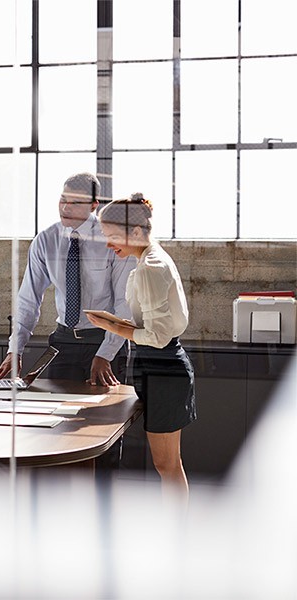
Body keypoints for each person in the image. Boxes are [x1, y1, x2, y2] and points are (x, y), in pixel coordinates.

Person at [86, 193, 196, 506]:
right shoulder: (149, 259)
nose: (109, 245)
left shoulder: (151, 266)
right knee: (169, 464)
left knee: (167, 465)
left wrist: (112, 326)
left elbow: (158, 336)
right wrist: (115, 321)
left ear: (135, 232)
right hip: (158, 367)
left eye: (112, 237)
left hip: (164, 367)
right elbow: (151, 323)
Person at [0, 172, 135, 385]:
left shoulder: (113, 240)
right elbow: (28, 300)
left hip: (104, 339)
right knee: (55, 409)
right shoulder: (46, 240)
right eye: (63, 199)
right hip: (63, 341)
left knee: (104, 414)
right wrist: (15, 350)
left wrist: (106, 353)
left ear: (94, 205)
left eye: (75, 202)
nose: (65, 208)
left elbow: (124, 303)